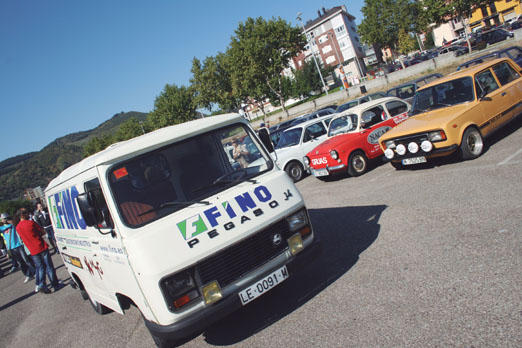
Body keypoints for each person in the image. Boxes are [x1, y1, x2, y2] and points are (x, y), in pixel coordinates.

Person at [15, 208, 64, 294]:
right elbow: (42, 232)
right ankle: (55, 284)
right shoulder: (30, 223)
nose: (28, 214)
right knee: (49, 266)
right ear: (22, 215)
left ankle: (41, 284)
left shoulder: (18, 227)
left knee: (40, 267)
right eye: (26, 213)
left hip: (32, 250)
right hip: (41, 246)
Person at [0, 213, 35, 283]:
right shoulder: (1, 228)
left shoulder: (13, 224)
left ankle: (35, 272)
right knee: (20, 263)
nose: (3, 220)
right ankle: (28, 275)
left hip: (19, 245)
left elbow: (15, 222)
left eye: (3, 219)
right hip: (11, 248)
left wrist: (7, 220)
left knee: (27, 260)